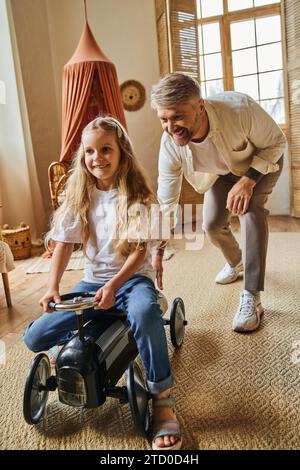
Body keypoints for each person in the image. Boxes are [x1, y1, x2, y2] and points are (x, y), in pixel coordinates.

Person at [23, 116, 182, 451]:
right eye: (90, 152)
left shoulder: (137, 196)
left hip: (131, 280)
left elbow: (138, 253)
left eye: (106, 149)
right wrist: (52, 287)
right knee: (34, 336)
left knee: (144, 314)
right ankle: (68, 342)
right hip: (91, 284)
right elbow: (63, 245)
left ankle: (162, 399)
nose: (98, 158)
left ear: (121, 151)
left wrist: (114, 287)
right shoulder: (79, 194)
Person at [151, 73, 286, 333]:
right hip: (222, 172)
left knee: (251, 210)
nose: (170, 127)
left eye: (177, 117)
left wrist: (248, 181)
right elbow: (166, 200)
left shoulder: (239, 109)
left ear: (200, 106)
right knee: (212, 224)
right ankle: (236, 262)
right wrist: (158, 248)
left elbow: (276, 143)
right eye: (163, 119)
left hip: (262, 161)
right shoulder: (169, 143)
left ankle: (252, 295)